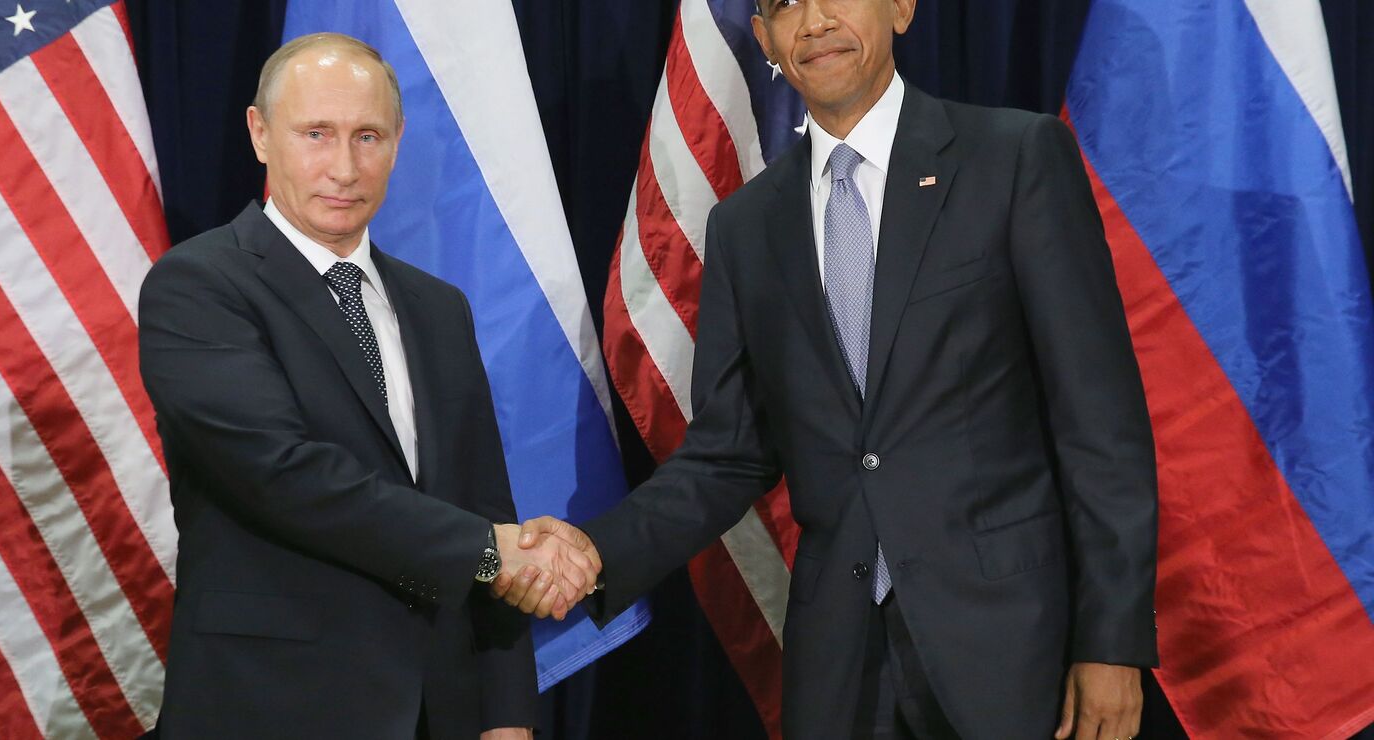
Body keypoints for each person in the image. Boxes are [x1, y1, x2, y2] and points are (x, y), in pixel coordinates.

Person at [499, 1, 1157, 738]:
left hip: (1015, 647)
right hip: (839, 667)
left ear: (902, 7)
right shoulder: (746, 227)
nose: (813, 22)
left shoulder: (1013, 159)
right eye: (784, 6)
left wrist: (1111, 643)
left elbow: (1100, 424)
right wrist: (596, 551)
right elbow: (726, 454)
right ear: (765, 39)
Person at [138, 33, 594, 740]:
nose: (344, 167)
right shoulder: (199, 286)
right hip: (268, 707)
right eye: (316, 134)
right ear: (260, 134)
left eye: (368, 136)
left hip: (434, 711)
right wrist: (492, 548)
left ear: (398, 141)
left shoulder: (439, 308)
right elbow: (283, 476)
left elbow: (481, 502)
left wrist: (506, 714)